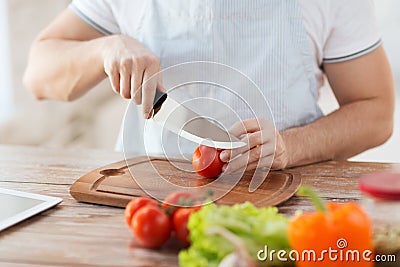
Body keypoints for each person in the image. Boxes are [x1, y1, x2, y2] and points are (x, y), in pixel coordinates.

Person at [24, 0, 394, 173]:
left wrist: (291, 146)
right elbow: (38, 74)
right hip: (142, 202)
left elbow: (376, 112)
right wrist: (105, 49)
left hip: (280, 198)